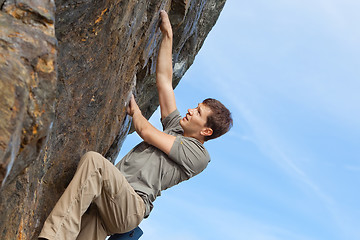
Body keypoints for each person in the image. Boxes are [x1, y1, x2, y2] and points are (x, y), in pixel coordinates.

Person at [39, 10, 232, 240]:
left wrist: (136, 112)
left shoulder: (198, 155)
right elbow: (164, 81)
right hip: (110, 198)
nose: (191, 110)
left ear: (206, 131)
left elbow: (146, 132)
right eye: (195, 106)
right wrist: (167, 35)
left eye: (198, 112)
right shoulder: (176, 129)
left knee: (95, 163)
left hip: (130, 206)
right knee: (88, 225)